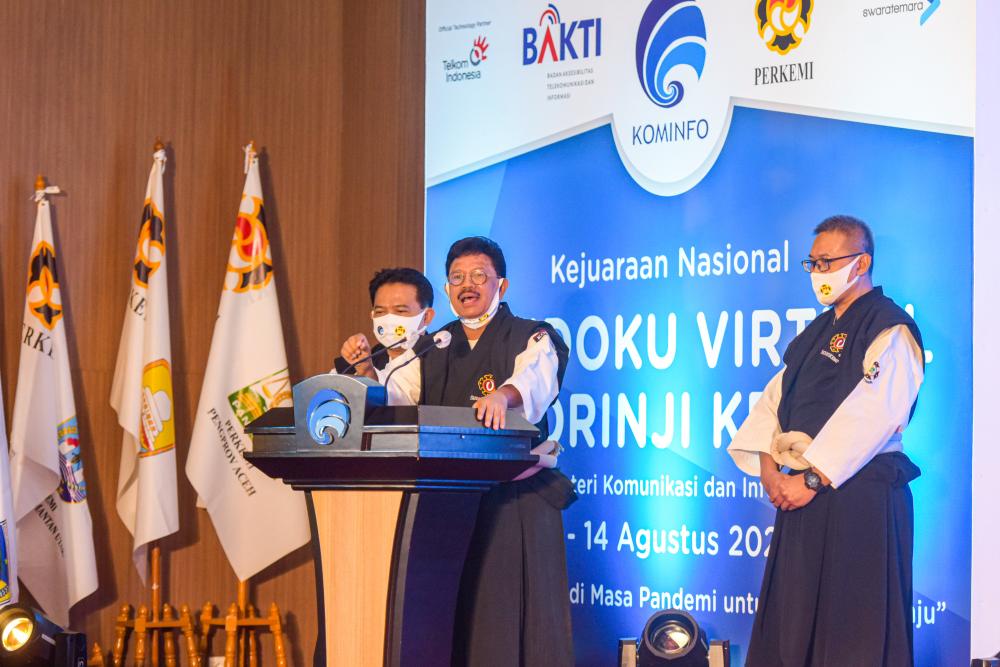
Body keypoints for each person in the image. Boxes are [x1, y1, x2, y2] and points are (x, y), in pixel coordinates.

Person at [728, 215, 924, 666]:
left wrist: (812, 480)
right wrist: (770, 470)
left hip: (859, 499)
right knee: (793, 628)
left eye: (827, 262)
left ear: (861, 263)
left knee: (852, 632)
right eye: (812, 263)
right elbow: (773, 401)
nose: (818, 273)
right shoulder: (814, 334)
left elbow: (873, 414)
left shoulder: (889, 327)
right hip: (799, 499)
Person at [387, 236, 576, 667]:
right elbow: (396, 395)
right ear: (447, 288)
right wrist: (362, 382)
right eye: (456, 278)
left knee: (509, 622)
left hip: (515, 500)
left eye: (478, 276)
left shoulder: (532, 335)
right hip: (446, 504)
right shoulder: (432, 345)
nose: (466, 285)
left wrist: (504, 396)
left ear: (501, 286)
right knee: (450, 619)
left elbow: (534, 378)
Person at [334, 267, 435, 381]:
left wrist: (367, 372)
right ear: (372, 315)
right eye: (380, 312)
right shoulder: (366, 358)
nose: (389, 319)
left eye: (400, 311)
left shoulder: (440, 362)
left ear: (426, 317)